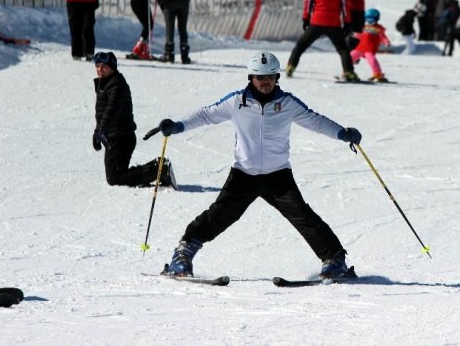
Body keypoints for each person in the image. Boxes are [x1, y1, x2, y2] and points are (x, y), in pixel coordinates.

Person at [152, 51, 362, 278]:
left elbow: (316, 121)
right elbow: (206, 115)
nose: (266, 81)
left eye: (271, 76)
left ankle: (334, 260)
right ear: (251, 77)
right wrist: (178, 126)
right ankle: (182, 255)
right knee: (219, 215)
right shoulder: (236, 101)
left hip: (278, 175)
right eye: (261, 77)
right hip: (244, 174)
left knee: (303, 216)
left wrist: (342, 133)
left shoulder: (287, 103)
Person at [92, 52, 176, 188]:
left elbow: (112, 110)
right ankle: (159, 168)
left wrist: (102, 129)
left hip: (121, 138)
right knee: (116, 175)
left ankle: (159, 170)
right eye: (97, 66)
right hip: (114, 137)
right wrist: (97, 131)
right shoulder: (106, 84)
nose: (99, 70)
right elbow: (102, 113)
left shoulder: (116, 85)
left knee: (115, 178)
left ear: (112, 68)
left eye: (104, 66)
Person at [286, 0, 359, 82]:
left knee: (301, 45)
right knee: (342, 49)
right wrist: (347, 23)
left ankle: (290, 67)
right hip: (333, 24)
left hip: (316, 22)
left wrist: (306, 18)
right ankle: (349, 72)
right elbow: (345, 6)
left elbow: (308, 2)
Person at [351, 8, 391, 82]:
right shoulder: (364, 27)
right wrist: (354, 35)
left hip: (369, 49)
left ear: (376, 19)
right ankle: (348, 71)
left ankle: (378, 74)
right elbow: (361, 35)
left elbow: (383, 37)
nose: (369, 21)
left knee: (372, 61)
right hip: (360, 48)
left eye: (371, 19)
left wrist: (386, 42)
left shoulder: (378, 29)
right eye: (367, 19)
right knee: (349, 58)